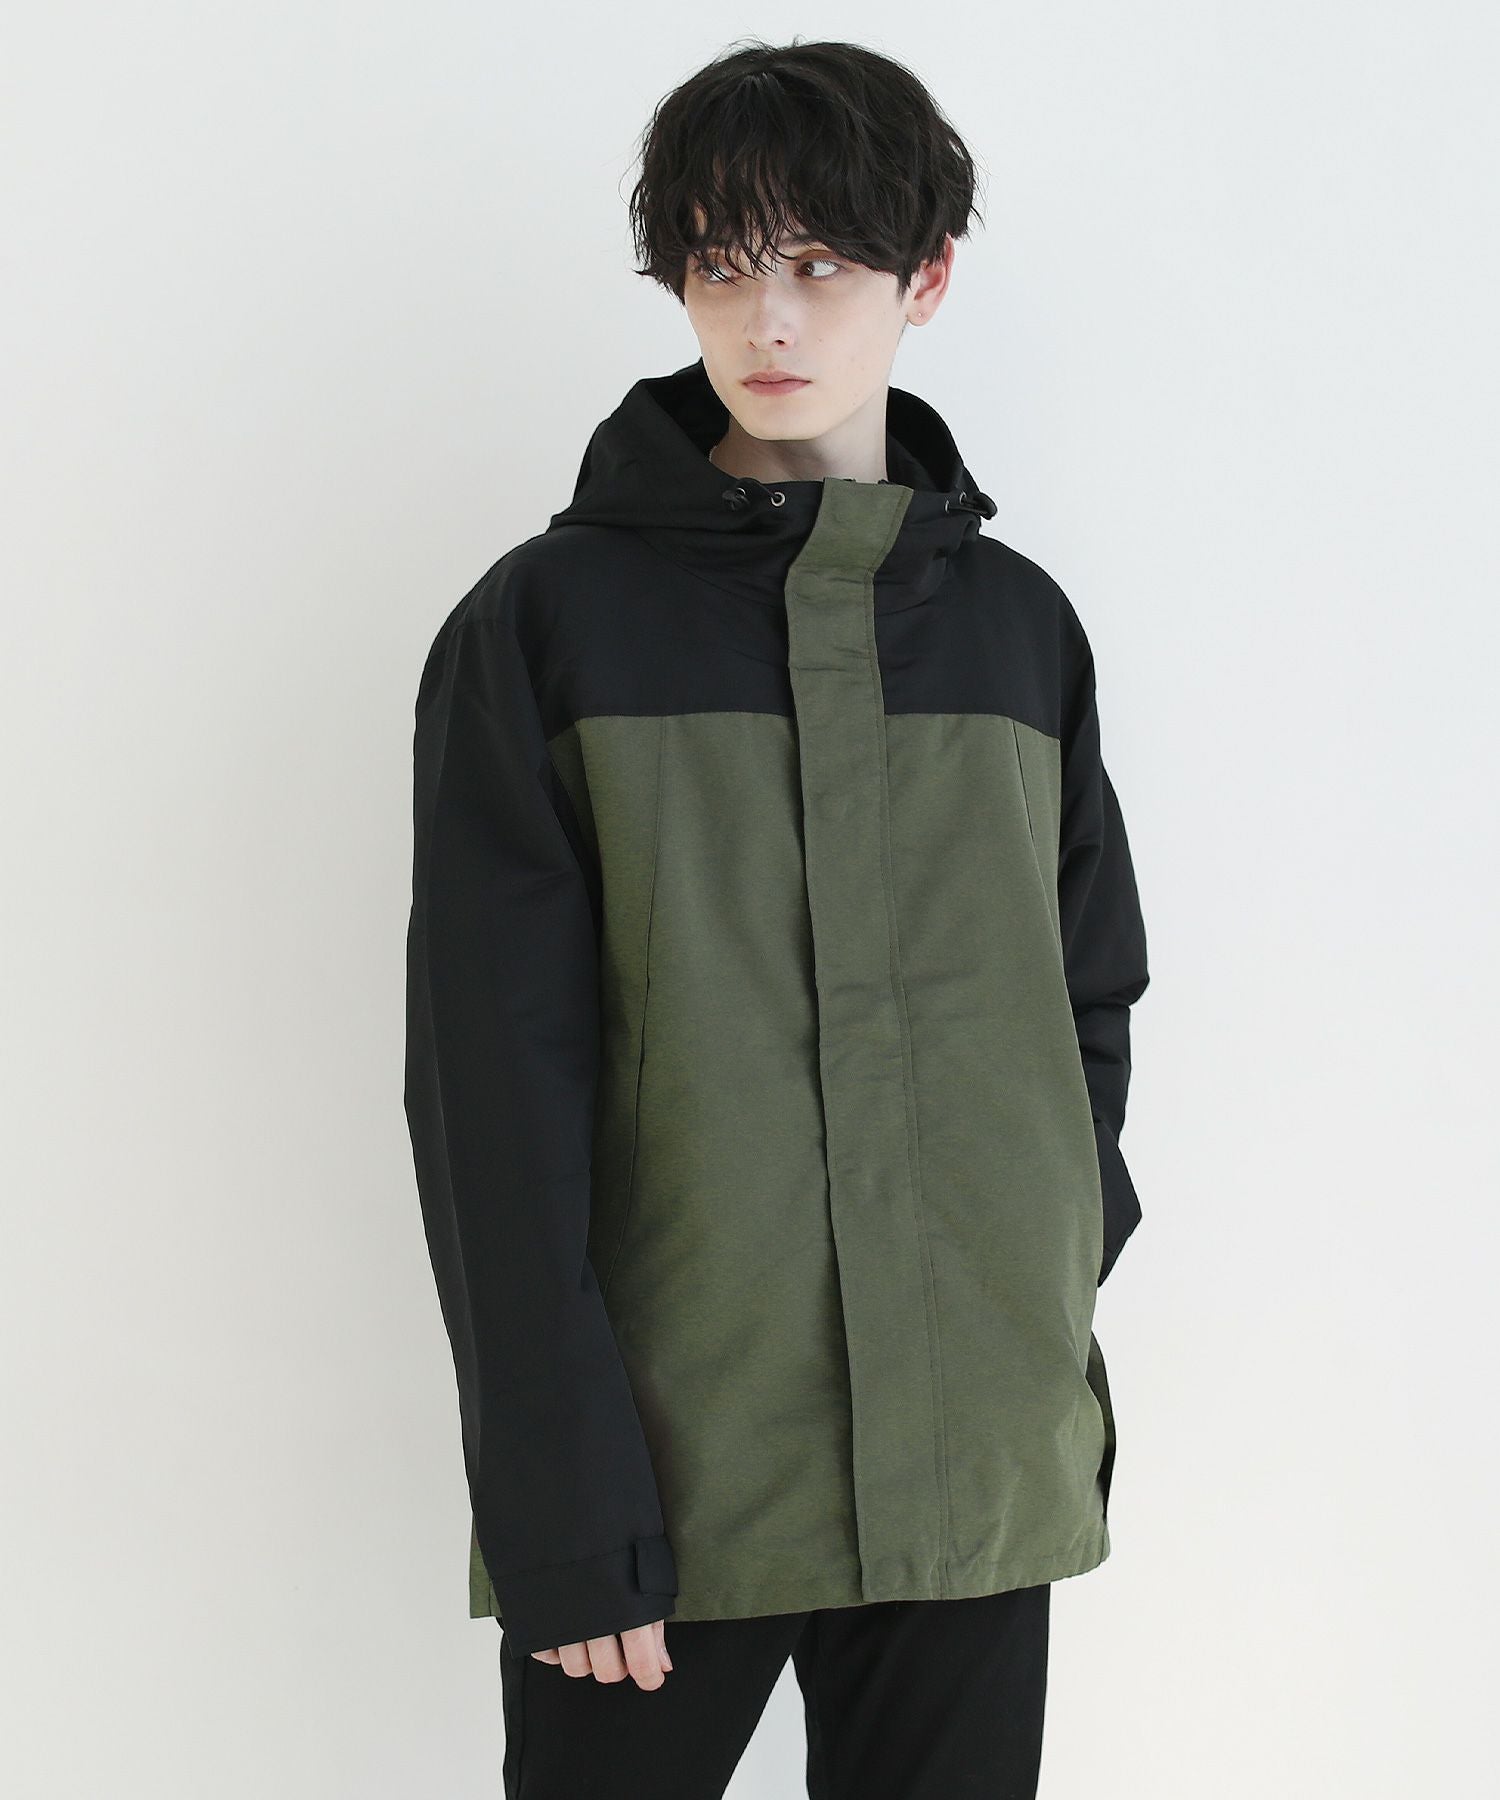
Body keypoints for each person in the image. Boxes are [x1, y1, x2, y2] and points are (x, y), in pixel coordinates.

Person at [403, 35, 1150, 1800]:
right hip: (668, 1482)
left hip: (974, 1457)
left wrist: (1042, 1269)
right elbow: (489, 1093)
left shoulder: (1016, 631)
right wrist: (560, 1492)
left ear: (926, 279)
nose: (771, 317)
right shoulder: (545, 629)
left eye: (820, 263)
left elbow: (1088, 996)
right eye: (725, 265)